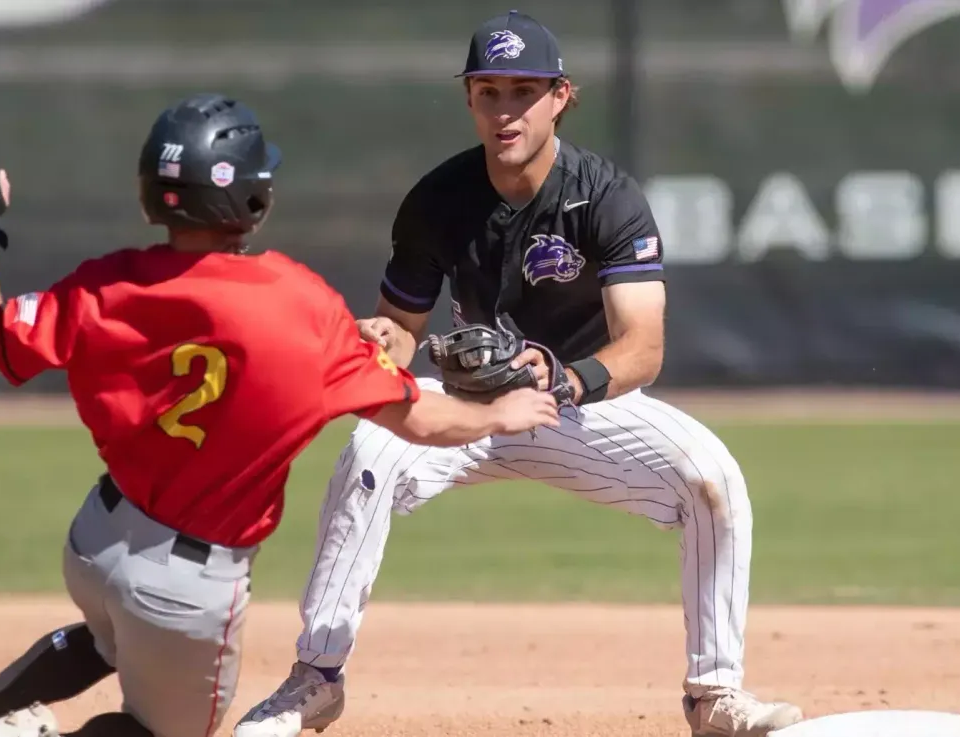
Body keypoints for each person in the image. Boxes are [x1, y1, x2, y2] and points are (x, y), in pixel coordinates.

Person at [0, 93, 560, 737]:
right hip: (186, 590)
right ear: (253, 198)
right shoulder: (301, 308)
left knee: (107, 635)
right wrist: (498, 413)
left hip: (95, 540)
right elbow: (418, 421)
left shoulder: (106, 284)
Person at [231, 11, 806, 737]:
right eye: (490, 91)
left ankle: (714, 694)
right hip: (471, 404)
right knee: (369, 451)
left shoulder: (605, 196)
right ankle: (315, 678)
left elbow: (642, 348)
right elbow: (402, 333)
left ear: (561, 96)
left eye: (524, 91)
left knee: (712, 479)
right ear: (469, 97)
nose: (507, 110)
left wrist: (566, 378)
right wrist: (384, 339)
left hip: (582, 404)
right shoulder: (438, 200)